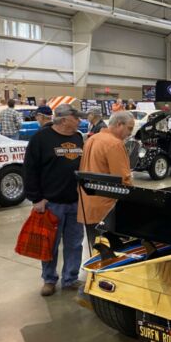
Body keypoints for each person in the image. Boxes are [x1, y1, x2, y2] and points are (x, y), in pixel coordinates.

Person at [23, 103, 85, 297]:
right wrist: (36, 198)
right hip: (50, 203)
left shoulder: (78, 138)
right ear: (65, 119)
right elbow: (30, 170)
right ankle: (49, 279)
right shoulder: (41, 139)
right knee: (49, 244)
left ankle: (71, 278)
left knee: (75, 243)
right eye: (76, 118)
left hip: (75, 202)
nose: (80, 121)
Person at [78, 111, 134, 245]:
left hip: (87, 205)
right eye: (129, 128)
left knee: (95, 249)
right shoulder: (115, 144)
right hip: (107, 209)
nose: (130, 133)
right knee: (111, 254)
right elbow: (123, 179)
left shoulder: (92, 139)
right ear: (119, 124)